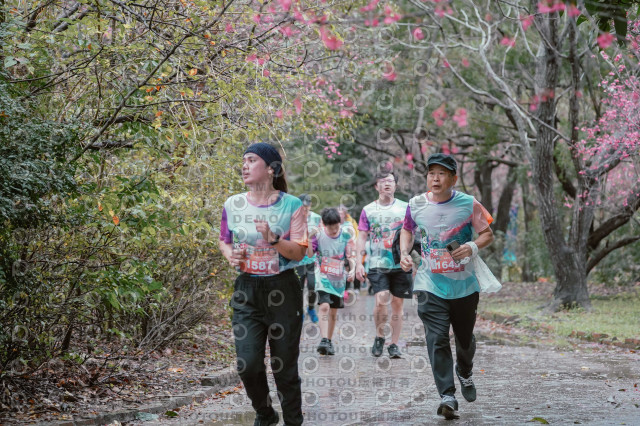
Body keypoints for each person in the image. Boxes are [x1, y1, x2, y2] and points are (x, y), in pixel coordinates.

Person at [399, 153, 494, 420]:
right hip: (429, 283)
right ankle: (447, 396)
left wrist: (472, 246)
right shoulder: (415, 204)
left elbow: (487, 234)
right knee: (437, 337)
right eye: (432, 173)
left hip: (464, 285)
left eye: (442, 174)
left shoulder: (469, 204)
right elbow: (407, 229)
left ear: (453, 178)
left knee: (464, 339)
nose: (436, 178)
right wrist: (404, 252)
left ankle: (464, 370)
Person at [219, 143, 307, 426]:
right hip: (247, 290)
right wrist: (231, 255)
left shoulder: (292, 206)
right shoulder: (233, 204)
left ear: (271, 169)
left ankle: (293, 421)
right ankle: (265, 413)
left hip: (283, 290)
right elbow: (224, 240)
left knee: (285, 367)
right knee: (247, 364)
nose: (244, 165)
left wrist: (274, 239)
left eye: (252, 160)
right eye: (243, 160)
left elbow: (299, 252)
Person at [355, 168, 412, 358]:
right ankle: (380, 336)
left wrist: (409, 255)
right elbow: (362, 237)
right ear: (376, 186)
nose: (387, 184)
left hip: (400, 263)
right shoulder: (368, 210)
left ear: (395, 185)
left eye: (390, 181)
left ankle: (394, 344)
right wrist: (358, 263)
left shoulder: (406, 208)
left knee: (397, 303)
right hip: (377, 263)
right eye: (382, 181)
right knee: (381, 299)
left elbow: (412, 233)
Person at [308, 208, 355, 355]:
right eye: (331, 228)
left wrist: (353, 269)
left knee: (333, 310)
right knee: (324, 306)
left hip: (338, 278)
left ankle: (328, 340)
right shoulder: (318, 235)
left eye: (336, 226)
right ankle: (323, 339)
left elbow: (350, 256)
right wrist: (309, 238)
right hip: (322, 276)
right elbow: (309, 254)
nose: (334, 230)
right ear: (324, 224)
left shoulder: (346, 234)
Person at [295, 193, 322, 323]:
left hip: (312, 259)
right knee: (298, 288)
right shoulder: (294, 218)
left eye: (307, 206)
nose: (305, 208)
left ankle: (311, 308)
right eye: (302, 206)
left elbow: (322, 235)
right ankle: (299, 311)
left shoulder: (317, 218)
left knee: (312, 285)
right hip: (298, 259)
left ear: (310, 205)